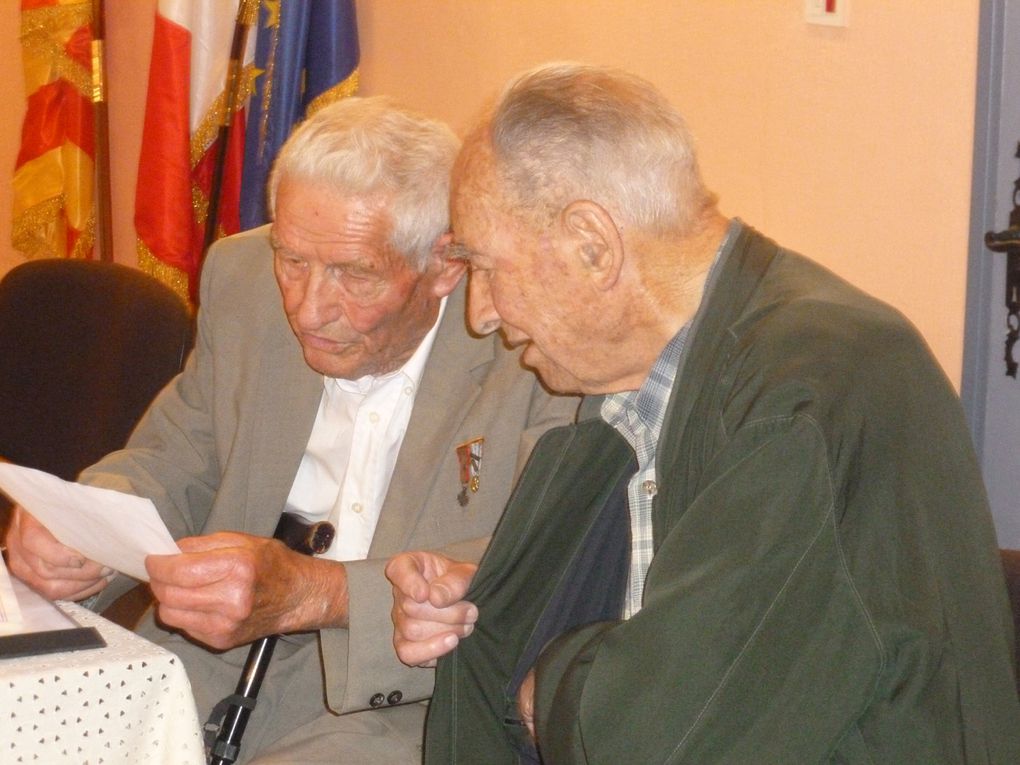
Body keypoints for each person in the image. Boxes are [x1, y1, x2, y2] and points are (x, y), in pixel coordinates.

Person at [387, 63, 1020, 763]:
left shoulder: (815, 388)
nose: (481, 314)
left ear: (592, 246)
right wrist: (506, 598)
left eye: (485, 268)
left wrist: (550, 678)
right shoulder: (643, 376)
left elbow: (661, 737)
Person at [4, 96, 578, 764]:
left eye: (354, 274)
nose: (308, 307)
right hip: (216, 662)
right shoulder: (242, 276)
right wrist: (82, 523)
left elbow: (542, 564)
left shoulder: (532, 339)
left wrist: (318, 593)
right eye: (294, 261)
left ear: (444, 263)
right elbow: (179, 451)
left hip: (410, 705)